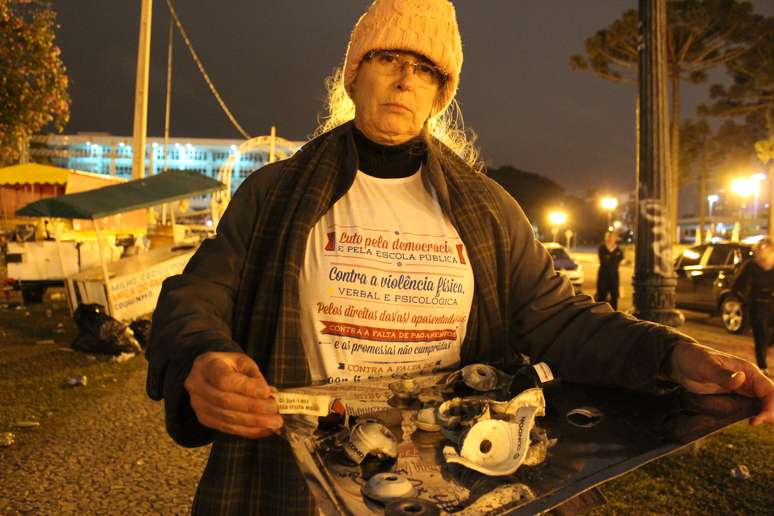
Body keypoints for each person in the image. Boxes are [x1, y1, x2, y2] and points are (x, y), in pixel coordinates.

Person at [145, 1, 774, 514]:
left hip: (445, 475)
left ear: (440, 92)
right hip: (299, 479)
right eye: (388, 58)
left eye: (425, 69)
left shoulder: (486, 208)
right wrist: (204, 356)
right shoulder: (275, 192)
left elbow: (560, 319)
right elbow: (197, 295)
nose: (403, 79)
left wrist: (672, 353)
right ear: (353, 75)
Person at [732, 238, 774, 376]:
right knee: (760, 334)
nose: (762, 252)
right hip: (758, 304)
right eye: (759, 249)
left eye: (766, 249)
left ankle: (766, 345)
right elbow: (737, 286)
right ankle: (762, 366)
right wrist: (742, 300)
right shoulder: (751, 266)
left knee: (767, 337)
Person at [596, 230, 624, 310]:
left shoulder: (618, 249)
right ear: (606, 238)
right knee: (601, 295)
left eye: (612, 237)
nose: (610, 238)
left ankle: (614, 313)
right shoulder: (602, 248)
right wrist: (613, 258)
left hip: (614, 275)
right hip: (603, 275)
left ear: (615, 238)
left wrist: (610, 258)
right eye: (608, 237)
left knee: (614, 296)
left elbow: (619, 259)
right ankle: (600, 313)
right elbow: (603, 260)